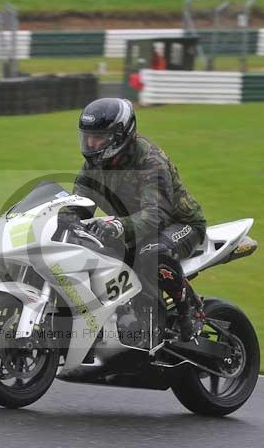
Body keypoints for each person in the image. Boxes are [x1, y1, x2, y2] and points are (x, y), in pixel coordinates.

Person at [64, 97, 207, 342]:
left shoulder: (150, 160)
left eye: (98, 137)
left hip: (180, 224)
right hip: (133, 229)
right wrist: (60, 221)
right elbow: (78, 204)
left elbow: (156, 214)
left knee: (151, 252)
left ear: (120, 135)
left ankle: (190, 310)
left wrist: (120, 225)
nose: (91, 143)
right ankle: (120, 318)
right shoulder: (93, 166)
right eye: (87, 136)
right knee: (91, 251)